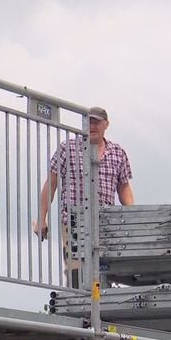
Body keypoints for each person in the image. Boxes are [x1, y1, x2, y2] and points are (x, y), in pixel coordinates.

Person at [34, 106, 134, 288]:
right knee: (77, 268)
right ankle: (78, 302)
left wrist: (131, 218)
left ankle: (100, 305)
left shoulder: (118, 152)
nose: (92, 126)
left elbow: (124, 188)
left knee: (102, 267)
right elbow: (51, 184)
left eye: (96, 122)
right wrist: (42, 218)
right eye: (88, 122)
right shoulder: (68, 149)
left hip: (105, 221)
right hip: (73, 220)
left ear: (106, 124)